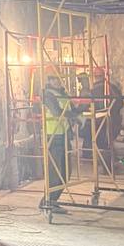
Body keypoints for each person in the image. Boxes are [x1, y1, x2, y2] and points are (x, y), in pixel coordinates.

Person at [41, 75, 75, 214]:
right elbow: (56, 112)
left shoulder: (63, 94)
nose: (56, 81)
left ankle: (51, 200)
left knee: (66, 172)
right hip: (53, 136)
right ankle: (48, 202)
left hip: (64, 134)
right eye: (53, 79)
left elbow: (71, 109)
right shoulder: (47, 95)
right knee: (55, 173)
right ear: (48, 81)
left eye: (58, 79)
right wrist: (74, 114)